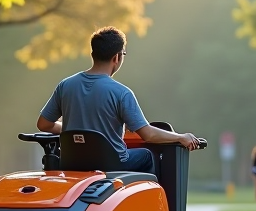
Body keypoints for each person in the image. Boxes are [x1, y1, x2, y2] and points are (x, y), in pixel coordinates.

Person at [37, 27, 199, 173]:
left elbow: (43, 124)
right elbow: (148, 135)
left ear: (93, 54)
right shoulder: (121, 93)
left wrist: (75, 130)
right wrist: (180, 137)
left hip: (71, 162)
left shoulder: (65, 85)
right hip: (111, 164)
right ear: (117, 57)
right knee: (147, 156)